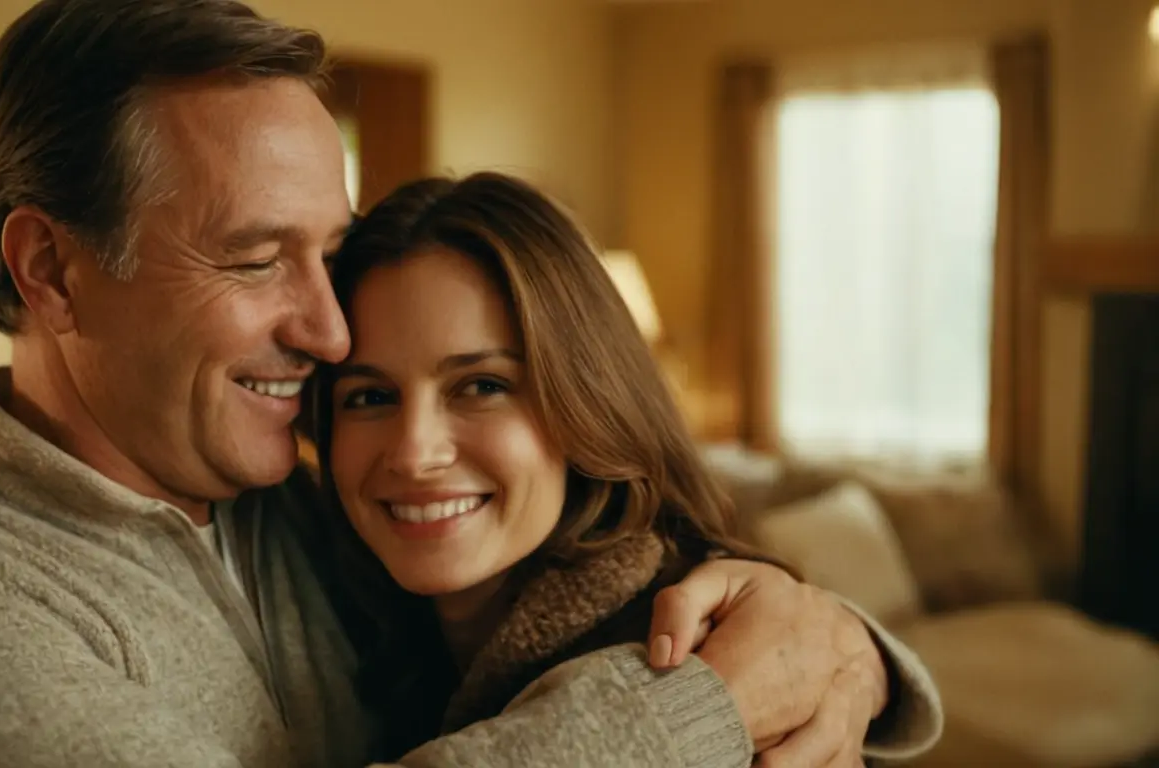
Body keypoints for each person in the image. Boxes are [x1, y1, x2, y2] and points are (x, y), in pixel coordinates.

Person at [0, 0, 942, 766]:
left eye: (327, 255)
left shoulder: (310, 512)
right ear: (50, 270)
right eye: (254, 258)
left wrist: (838, 642)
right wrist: (701, 705)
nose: (329, 328)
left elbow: (583, 573)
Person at [305, 172, 938, 765]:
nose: (415, 452)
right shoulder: (345, 613)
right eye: (370, 397)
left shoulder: (696, 654)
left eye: (481, 386)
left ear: (584, 400)